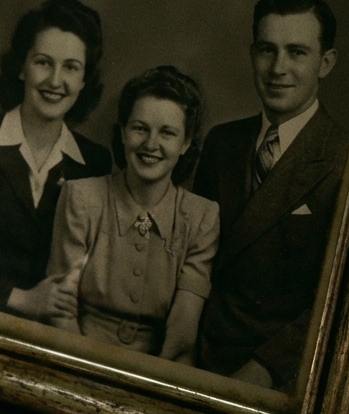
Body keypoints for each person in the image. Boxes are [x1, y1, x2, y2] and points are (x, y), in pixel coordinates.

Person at [194, 0, 347, 390]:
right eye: (267, 50)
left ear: (326, 62)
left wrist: (262, 371)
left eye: (297, 52)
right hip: (195, 354)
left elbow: (339, 301)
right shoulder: (221, 143)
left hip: (275, 378)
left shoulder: (347, 161)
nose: (278, 68)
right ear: (252, 54)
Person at [0, 0, 114, 320]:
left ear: (84, 80)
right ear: (21, 67)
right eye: (43, 62)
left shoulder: (95, 162)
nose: (55, 81)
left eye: (71, 67)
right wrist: (20, 299)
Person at [46, 66, 219, 361]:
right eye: (140, 128)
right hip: (77, 354)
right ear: (123, 132)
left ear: (186, 143)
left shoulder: (202, 217)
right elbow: (60, 309)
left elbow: (182, 333)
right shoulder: (81, 197)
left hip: (159, 367)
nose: (151, 144)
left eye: (167, 133)